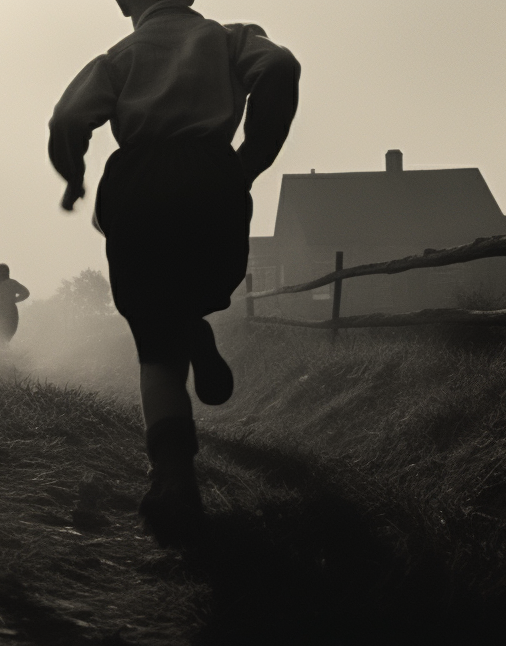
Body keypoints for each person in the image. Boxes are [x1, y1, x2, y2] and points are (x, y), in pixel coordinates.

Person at [49, 0, 300, 545]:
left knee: (155, 344)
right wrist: (251, 156)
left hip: (138, 183)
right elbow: (280, 68)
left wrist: (74, 177)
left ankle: (173, 479)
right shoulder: (230, 38)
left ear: (124, 3)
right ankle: (194, 324)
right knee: (201, 285)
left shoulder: (119, 57)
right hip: (213, 175)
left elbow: (68, 119)